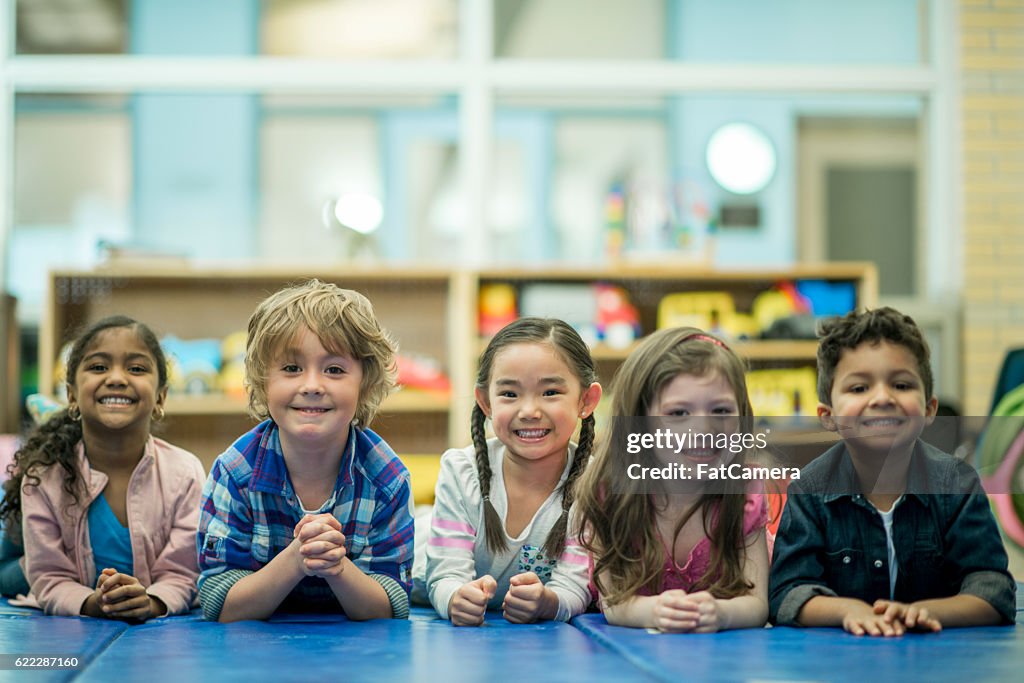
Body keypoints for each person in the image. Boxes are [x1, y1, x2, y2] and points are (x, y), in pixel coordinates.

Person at [769, 307, 1016, 635]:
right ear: (828, 415)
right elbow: (788, 593)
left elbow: (993, 590)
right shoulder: (809, 489)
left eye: (900, 385)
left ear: (929, 409)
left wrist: (922, 612)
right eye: (859, 388)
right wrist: (848, 610)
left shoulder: (957, 484)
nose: (882, 398)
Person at [197, 280, 414, 622]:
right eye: (291, 368)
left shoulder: (386, 478)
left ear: (366, 382)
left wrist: (336, 566)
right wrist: (296, 559)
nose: (312, 385)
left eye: (334, 370)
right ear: (262, 380)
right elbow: (219, 603)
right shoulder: (234, 472)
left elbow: (389, 606)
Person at [0, 315, 205, 618]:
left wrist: (151, 602)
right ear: (71, 394)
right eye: (98, 367)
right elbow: (50, 577)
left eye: (136, 368)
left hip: (140, 589)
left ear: (161, 396)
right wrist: (93, 603)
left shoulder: (185, 473)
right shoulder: (43, 477)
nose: (117, 378)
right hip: (27, 566)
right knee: (11, 575)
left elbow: (184, 572)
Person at [575, 327, 770, 632]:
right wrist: (651, 611)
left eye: (721, 410)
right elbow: (614, 603)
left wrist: (721, 613)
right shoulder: (610, 494)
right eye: (678, 413)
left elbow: (756, 604)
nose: (704, 429)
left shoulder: (745, 492)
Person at [422, 318, 602, 625]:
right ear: (485, 402)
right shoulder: (461, 471)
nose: (529, 411)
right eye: (509, 394)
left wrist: (549, 602)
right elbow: (445, 573)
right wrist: (455, 597)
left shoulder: (595, 482)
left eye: (550, 392)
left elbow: (575, 585)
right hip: (420, 548)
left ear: (586, 400)